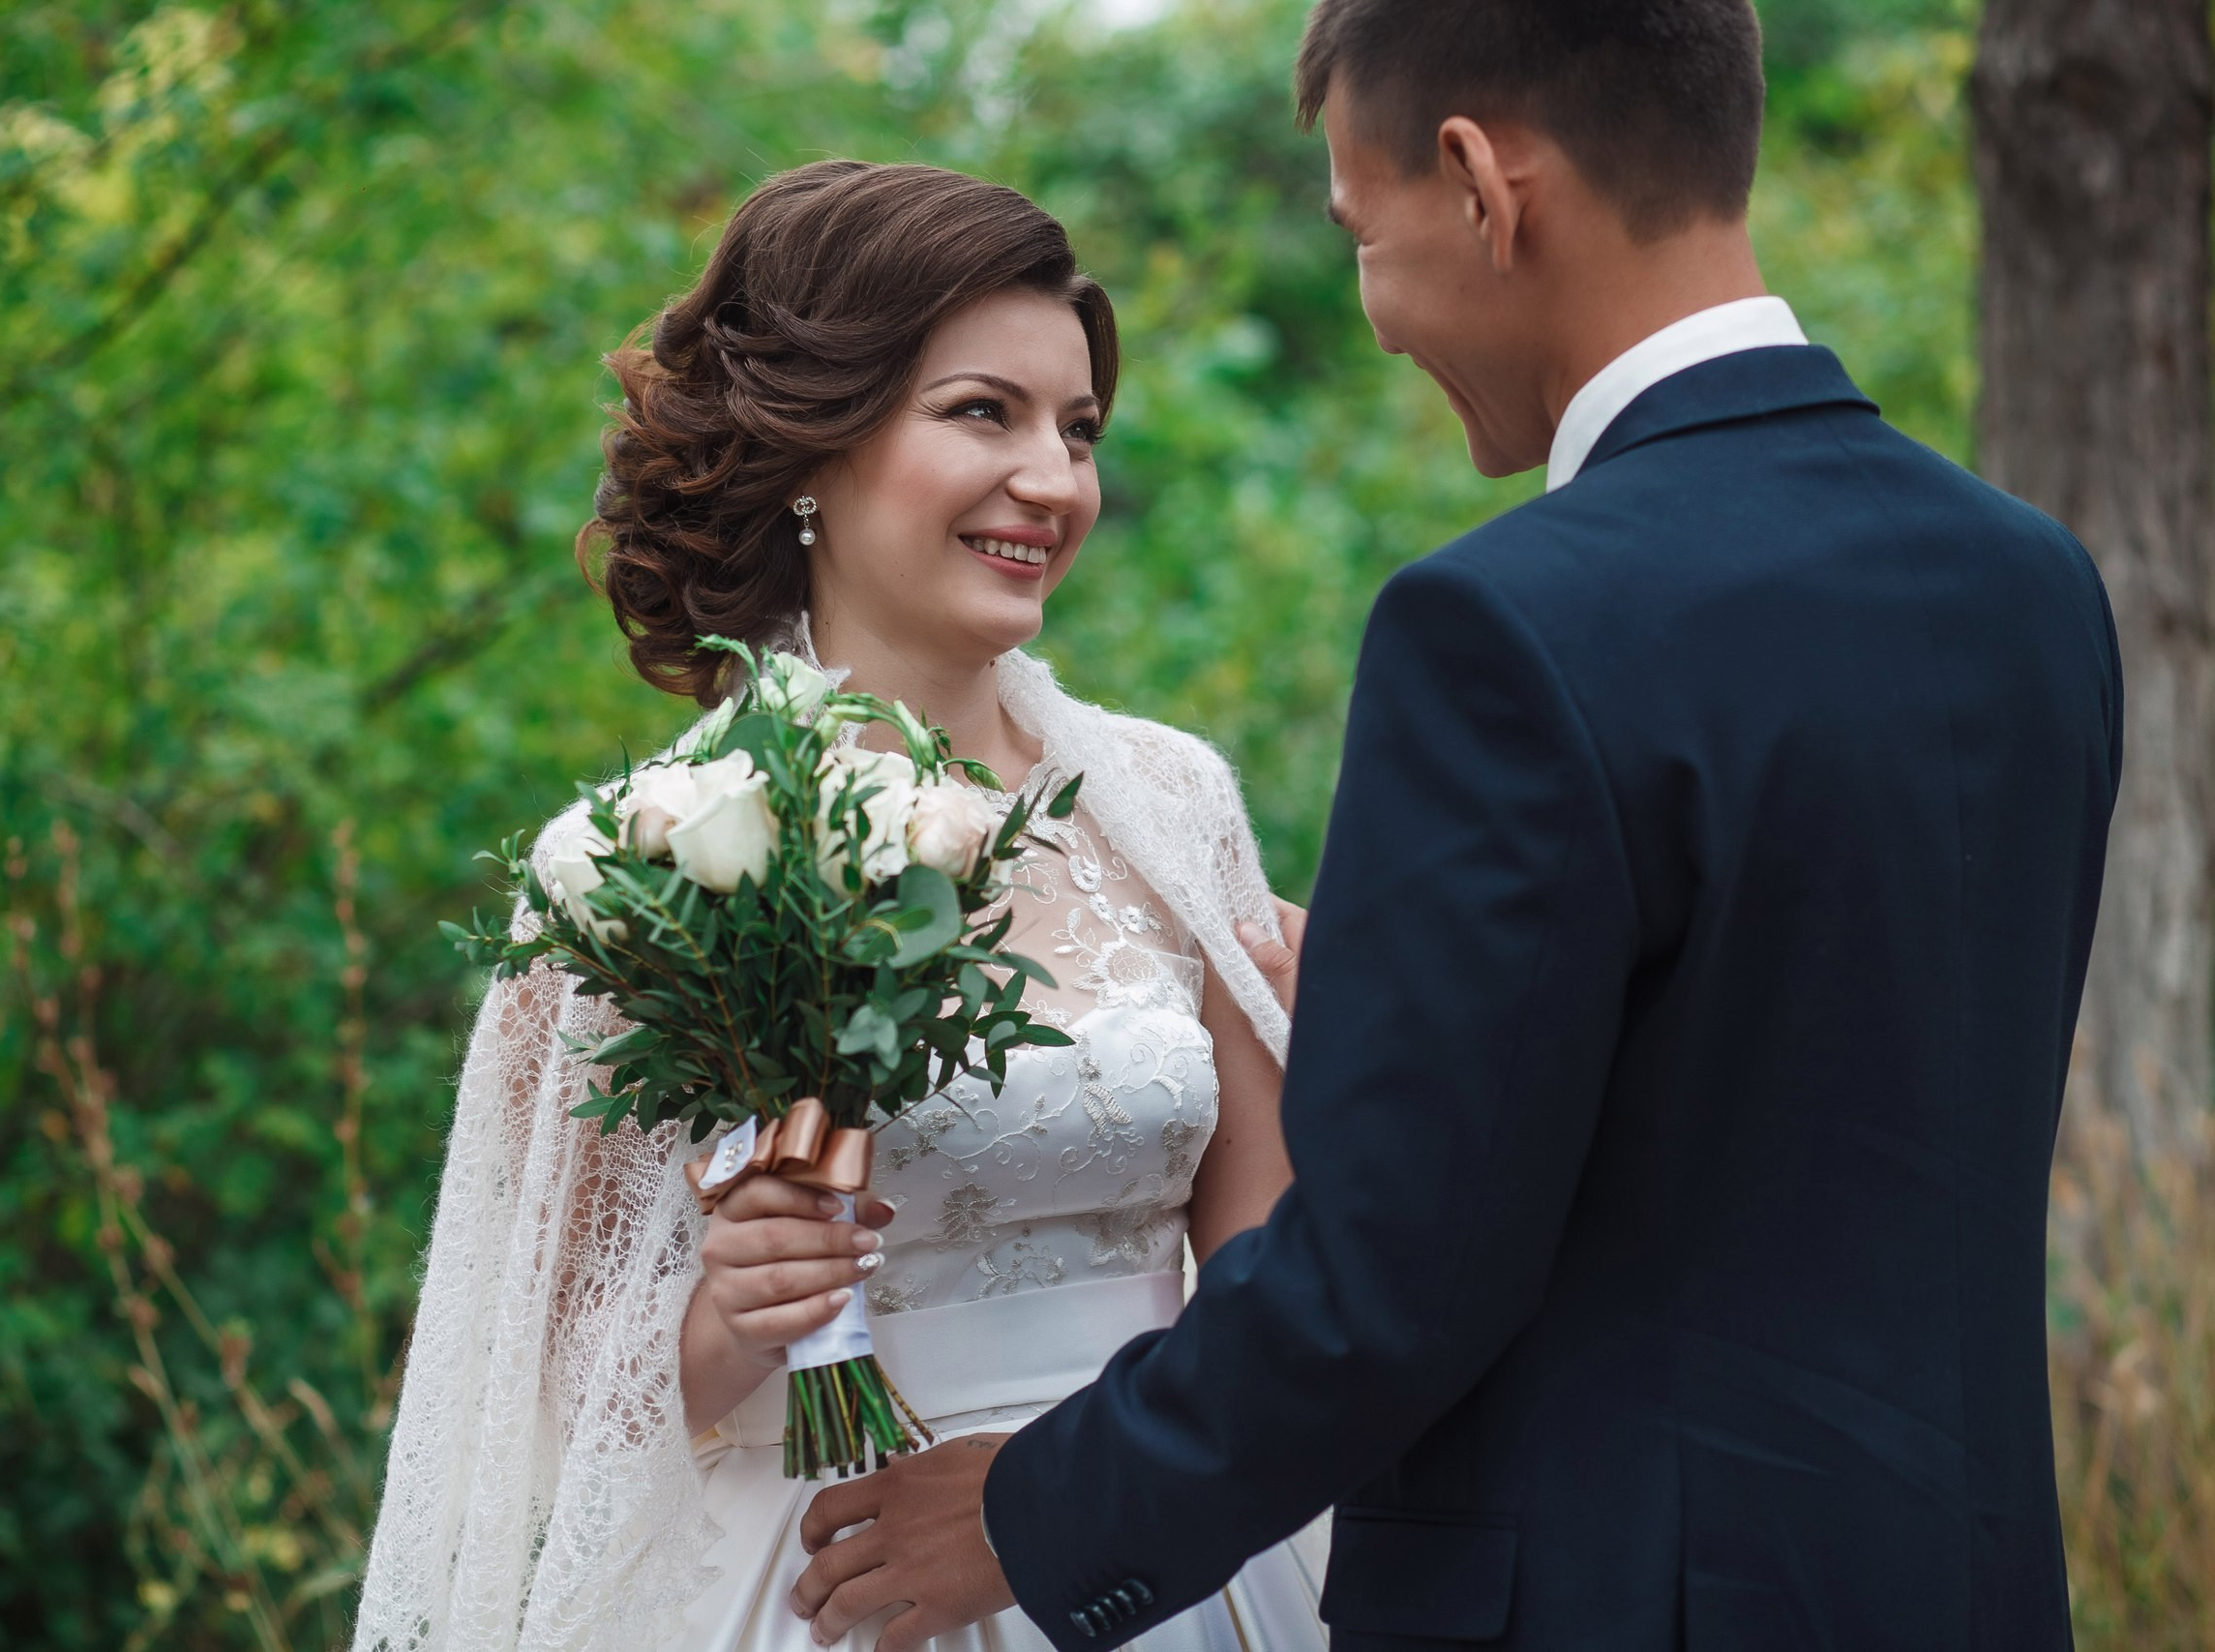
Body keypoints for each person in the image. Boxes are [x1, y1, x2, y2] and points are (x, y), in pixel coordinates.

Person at [787, 3, 2121, 1649]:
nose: (1376, 311)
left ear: (1484, 186)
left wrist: (1023, 1515)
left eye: (1362, 233)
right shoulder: (2030, 588)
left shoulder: (1509, 628)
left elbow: (1389, 1278)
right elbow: (1806, 1084)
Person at [349, 161, 1329, 1652]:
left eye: (1077, 430)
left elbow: (1261, 1254)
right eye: (982, 413)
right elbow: (531, 1395)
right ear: (815, 445)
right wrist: (726, 1318)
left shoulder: (1170, 799)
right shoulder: (634, 861)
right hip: (823, 1586)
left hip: (1158, 1566)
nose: (1055, 482)